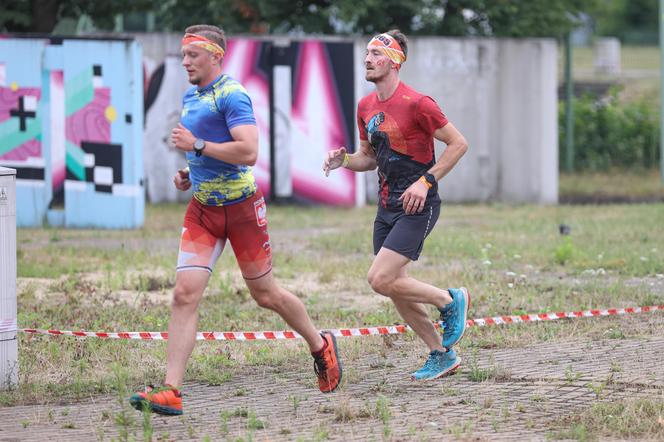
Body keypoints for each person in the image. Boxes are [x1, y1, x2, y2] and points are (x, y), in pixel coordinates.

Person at [130, 24, 342, 416]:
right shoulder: (190, 97)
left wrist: (194, 145)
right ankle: (171, 390)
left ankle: (320, 343)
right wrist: (189, 173)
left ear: (215, 55)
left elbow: (248, 151)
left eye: (193, 55)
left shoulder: (233, 95)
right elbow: (207, 153)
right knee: (183, 295)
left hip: (242, 211)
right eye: (183, 54)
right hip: (203, 212)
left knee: (267, 296)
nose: (185, 61)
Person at [323, 29, 470, 381]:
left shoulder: (419, 104)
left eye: (376, 54)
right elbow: (369, 158)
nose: (368, 60)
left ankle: (450, 300)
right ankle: (441, 354)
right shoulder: (365, 107)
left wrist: (426, 181)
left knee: (379, 278)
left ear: (395, 61)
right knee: (394, 286)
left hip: (418, 204)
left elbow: (458, 144)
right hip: (386, 206)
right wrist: (344, 160)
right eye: (367, 54)